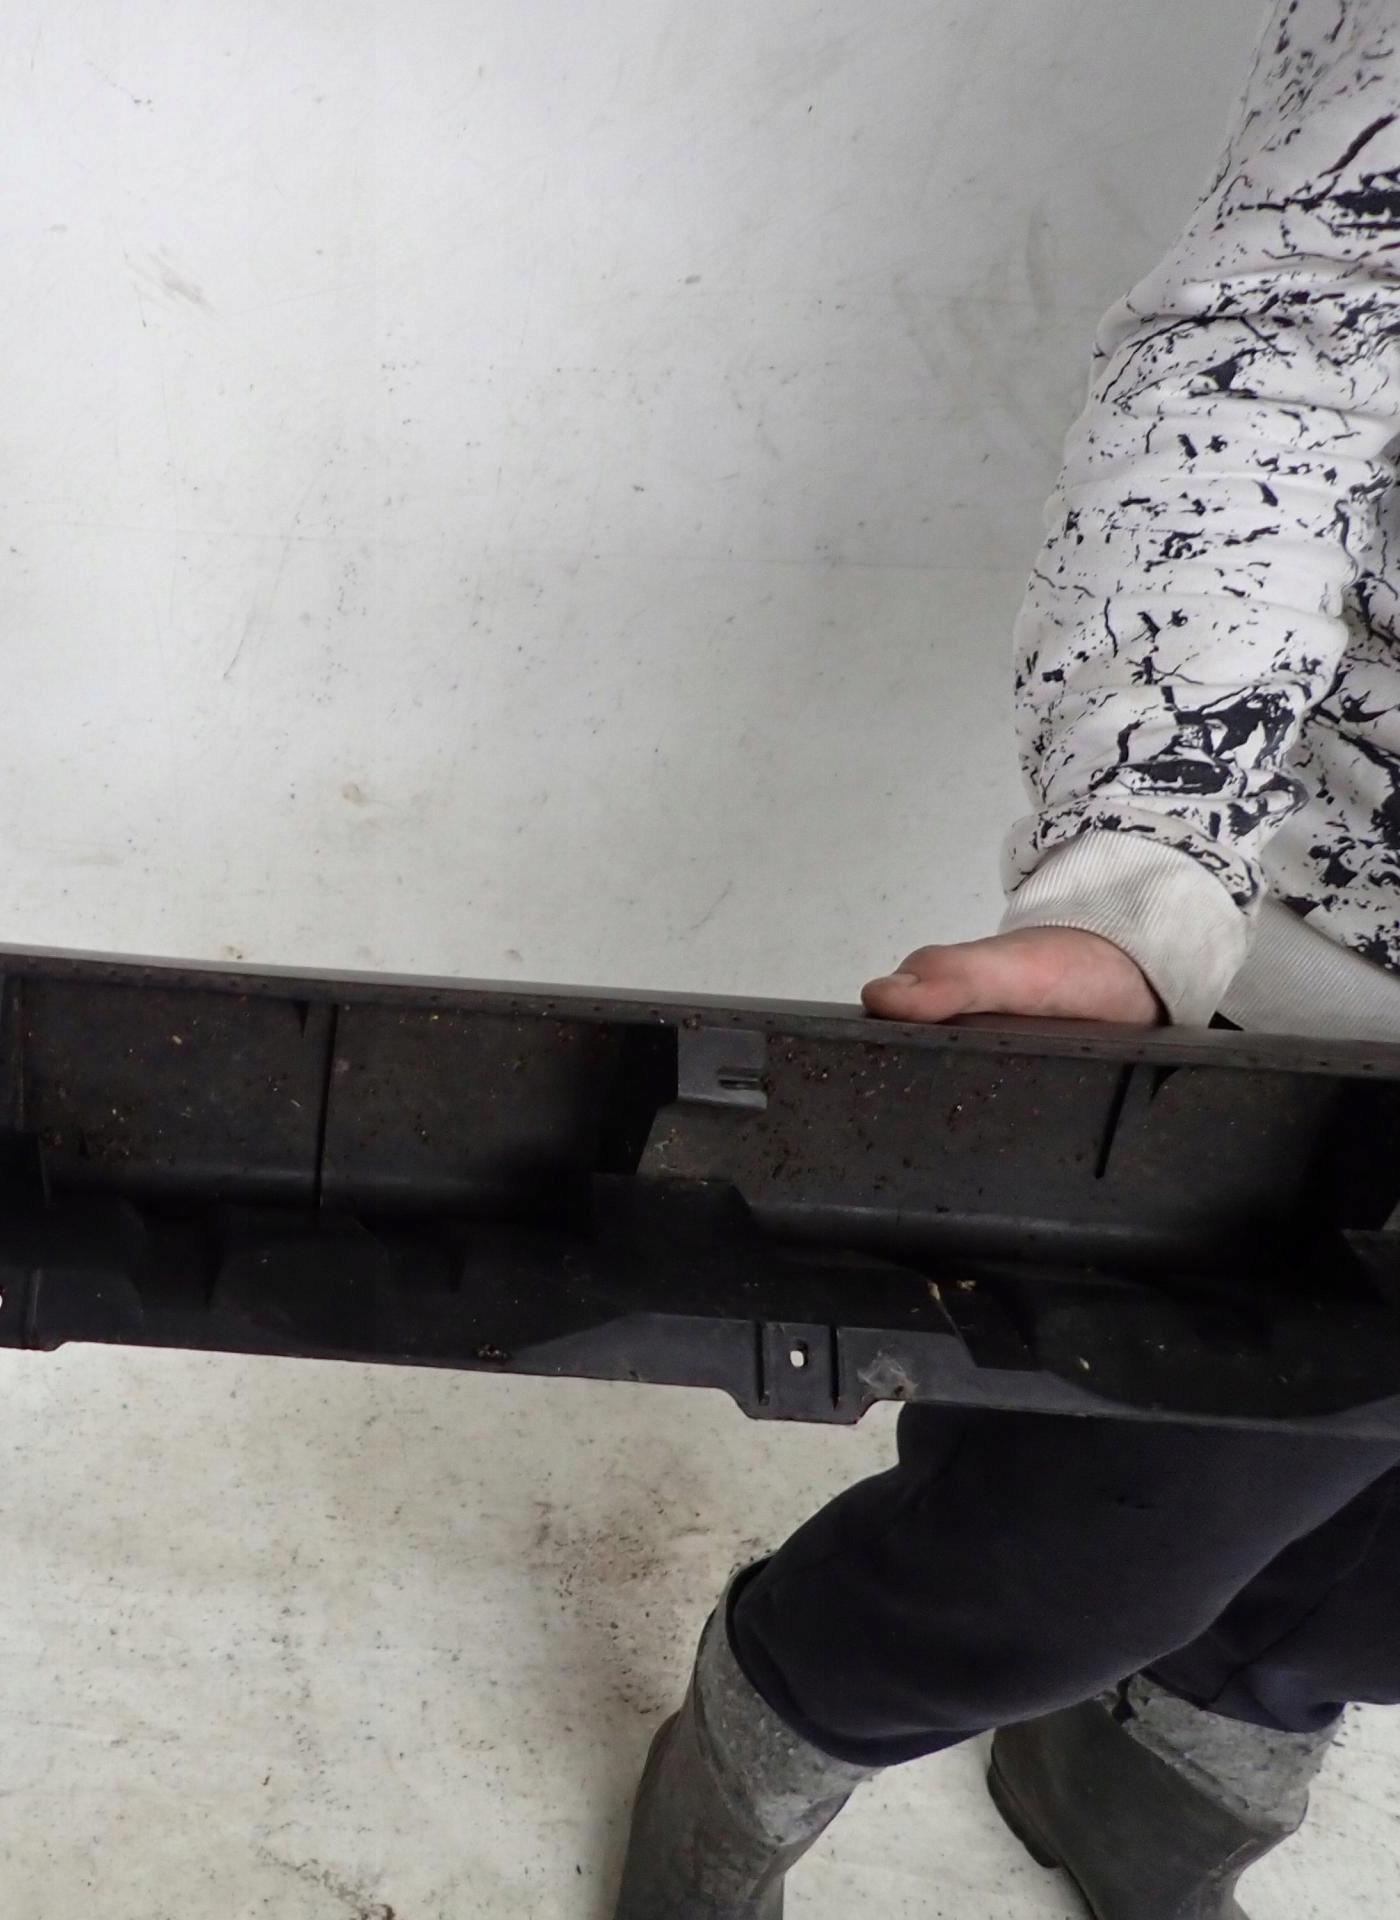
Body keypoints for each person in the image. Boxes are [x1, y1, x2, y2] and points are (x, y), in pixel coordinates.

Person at [613, 5, 1400, 1916]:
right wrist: (1145, 871)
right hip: (1341, 992)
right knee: (1072, 1550)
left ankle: (1165, 1779)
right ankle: (774, 1725)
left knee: (1379, 1591)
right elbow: (1284, 353)